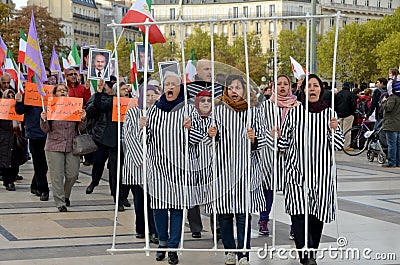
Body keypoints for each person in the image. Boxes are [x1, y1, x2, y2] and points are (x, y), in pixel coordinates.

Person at [269, 74, 344, 265]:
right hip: (297, 173)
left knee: (316, 215)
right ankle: (305, 255)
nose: (312, 89)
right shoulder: (294, 114)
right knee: (299, 214)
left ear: (321, 89)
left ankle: (312, 251)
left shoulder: (330, 114)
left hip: (321, 175)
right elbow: (283, 144)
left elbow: (337, 145)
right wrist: (276, 137)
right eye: (308, 86)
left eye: (315, 85)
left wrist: (334, 130)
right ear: (302, 90)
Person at [200, 75, 267, 265]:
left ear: (244, 90)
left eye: (238, 87)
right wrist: (211, 134)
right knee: (225, 213)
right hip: (223, 170)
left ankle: (244, 252)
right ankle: (229, 250)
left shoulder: (253, 112)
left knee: (243, 214)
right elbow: (207, 141)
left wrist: (254, 139)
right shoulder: (218, 111)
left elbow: (264, 141)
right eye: (230, 88)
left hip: (246, 170)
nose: (234, 91)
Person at [140, 72, 198, 265]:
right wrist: (143, 128)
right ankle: (162, 242)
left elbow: (196, 140)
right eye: (167, 84)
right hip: (157, 166)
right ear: (163, 89)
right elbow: (145, 141)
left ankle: (173, 246)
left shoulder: (188, 109)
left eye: (174, 84)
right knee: (158, 207)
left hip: (179, 167)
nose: (170, 87)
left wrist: (192, 129)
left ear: (180, 88)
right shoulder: (154, 110)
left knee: (176, 208)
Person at [257, 74, 300, 238]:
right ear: (273, 87)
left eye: (285, 84)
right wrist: (271, 135)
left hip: (290, 154)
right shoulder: (266, 106)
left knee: (293, 191)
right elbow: (259, 127)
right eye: (279, 84)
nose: (282, 87)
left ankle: (295, 225)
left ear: (290, 87)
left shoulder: (298, 106)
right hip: (269, 154)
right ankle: (263, 220)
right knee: (268, 189)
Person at [40, 84, 87, 212]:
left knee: (73, 174)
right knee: (57, 176)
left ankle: (66, 195)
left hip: (72, 145)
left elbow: (81, 128)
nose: (63, 92)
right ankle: (60, 202)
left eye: (65, 90)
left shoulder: (74, 106)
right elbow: (46, 130)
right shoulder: (50, 107)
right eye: (60, 90)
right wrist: (43, 119)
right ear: (55, 94)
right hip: (54, 146)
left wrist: (83, 118)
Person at [122, 85, 159, 243]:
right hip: (137, 164)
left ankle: (154, 230)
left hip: (155, 164)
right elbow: (128, 136)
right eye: (147, 95)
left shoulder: (159, 113)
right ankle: (141, 228)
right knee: (139, 199)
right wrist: (141, 159)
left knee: (154, 199)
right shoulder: (132, 112)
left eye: (153, 95)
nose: (150, 98)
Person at [85, 76, 126, 211]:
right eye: (110, 85)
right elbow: (95, 108)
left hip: (118, 140)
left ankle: (118, 198)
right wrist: (98, 92)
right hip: (102, 138)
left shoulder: (125, 100)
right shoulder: (103, 99)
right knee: (98, 163)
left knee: (116, 171)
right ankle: (94, 181)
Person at [15, 89, 50, 201]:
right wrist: (19, 101)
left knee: (44, 164)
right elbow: (20, 111)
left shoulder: (50, 93)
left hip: (51, 134)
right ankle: (43, 189)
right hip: (35, 134)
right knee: (39, 163)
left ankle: (35, 185)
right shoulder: (29, 95)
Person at [0, 89, 24, 191]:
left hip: (16, 138)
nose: (10, 98)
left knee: (15, 160)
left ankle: (12, 178)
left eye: (12, 96)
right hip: (4, 138)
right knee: (6, 160)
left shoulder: (18, 108)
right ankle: (8, 181)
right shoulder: (1, 109)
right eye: (8, 96)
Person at [382, 69, 400, 168]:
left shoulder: (393, 97)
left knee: (392, 144)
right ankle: (398, 162)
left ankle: (392, 162)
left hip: (391, 123)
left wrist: (384, 101)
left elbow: (388, 109)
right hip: (398, 123)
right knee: (398, 144)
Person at [335, 82, 357, 151]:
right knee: (347, 131)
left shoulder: (338, 94)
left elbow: (335, 104)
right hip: (348, 115)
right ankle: (346, 146)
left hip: (339, 114)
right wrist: (352, 112)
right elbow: (354, 104)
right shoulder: (351, 94)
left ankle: (339, 145)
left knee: (339, 130)